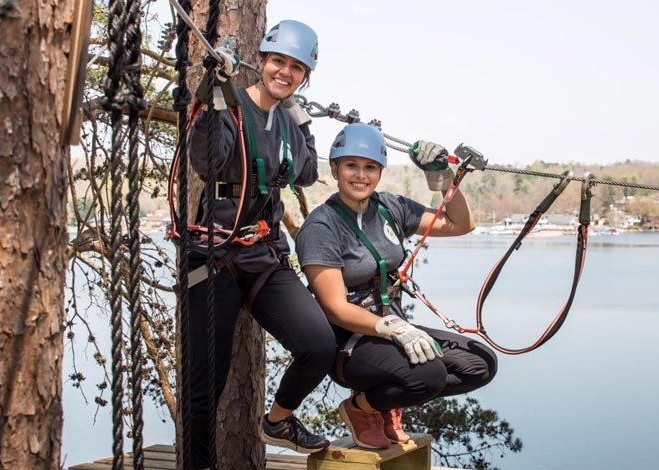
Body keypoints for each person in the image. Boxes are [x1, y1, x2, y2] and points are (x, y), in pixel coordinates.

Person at [185, 20, 334, 466]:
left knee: (318, 344)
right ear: (262, 62)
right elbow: (209, 161)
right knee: (205, 384)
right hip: (214, 256)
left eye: (296, 68)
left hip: (264, 255)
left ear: (305, 76)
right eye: (277, 62)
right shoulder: (232, 106)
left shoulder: (286, 120)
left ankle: (277, 420)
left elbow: (306, 173)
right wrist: (215, 89)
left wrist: (302, 118)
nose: (284, 73)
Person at [295, 123, 498, 450]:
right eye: (351, 165)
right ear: (334, 169)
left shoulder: (390, 209)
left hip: (392, 329)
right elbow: (334, 307)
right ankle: (361, 409)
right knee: (428, 376)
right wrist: (393, 329)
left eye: (370, 167)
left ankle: (381, 401)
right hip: (347, 343)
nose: (361, 175)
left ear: (380, 172)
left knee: (480, 364)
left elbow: (462, 224)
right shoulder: (321, 227)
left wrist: (444, 179)